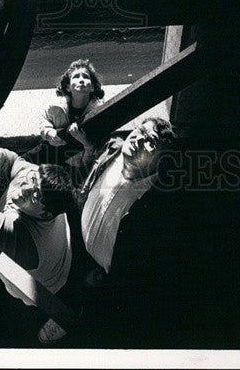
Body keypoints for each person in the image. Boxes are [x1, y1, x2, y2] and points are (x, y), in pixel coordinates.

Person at [38, 116, 177, 344]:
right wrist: (88, 147)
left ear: (161, 159)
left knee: (96, 313)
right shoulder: (113, 150)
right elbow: (92, 166)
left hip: (106, 278)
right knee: (71, 287)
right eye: (139, 130)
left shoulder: (156, 201)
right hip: (78, 246)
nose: (138, 138)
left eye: (150, 140)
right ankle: (64, 313)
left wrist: (113, 277)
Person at [0, 132, 75, 303]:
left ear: (45, 214)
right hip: (56, 255)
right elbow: (14, 163)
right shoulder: (38, 177)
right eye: (32, 179)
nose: (25, 188)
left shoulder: (24, 241)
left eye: (35, 195)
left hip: (43, 286)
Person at [39, 59, 105, 167]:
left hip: (79, 165)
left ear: (92, 87)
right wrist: (50, 133)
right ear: (68, 87)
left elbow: (93, 158)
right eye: (76, 77)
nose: (81, 80)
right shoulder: (56, 106)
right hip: (52, 155)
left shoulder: (99, 111)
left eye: (85, 76)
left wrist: (86, 143)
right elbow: (44, 121)